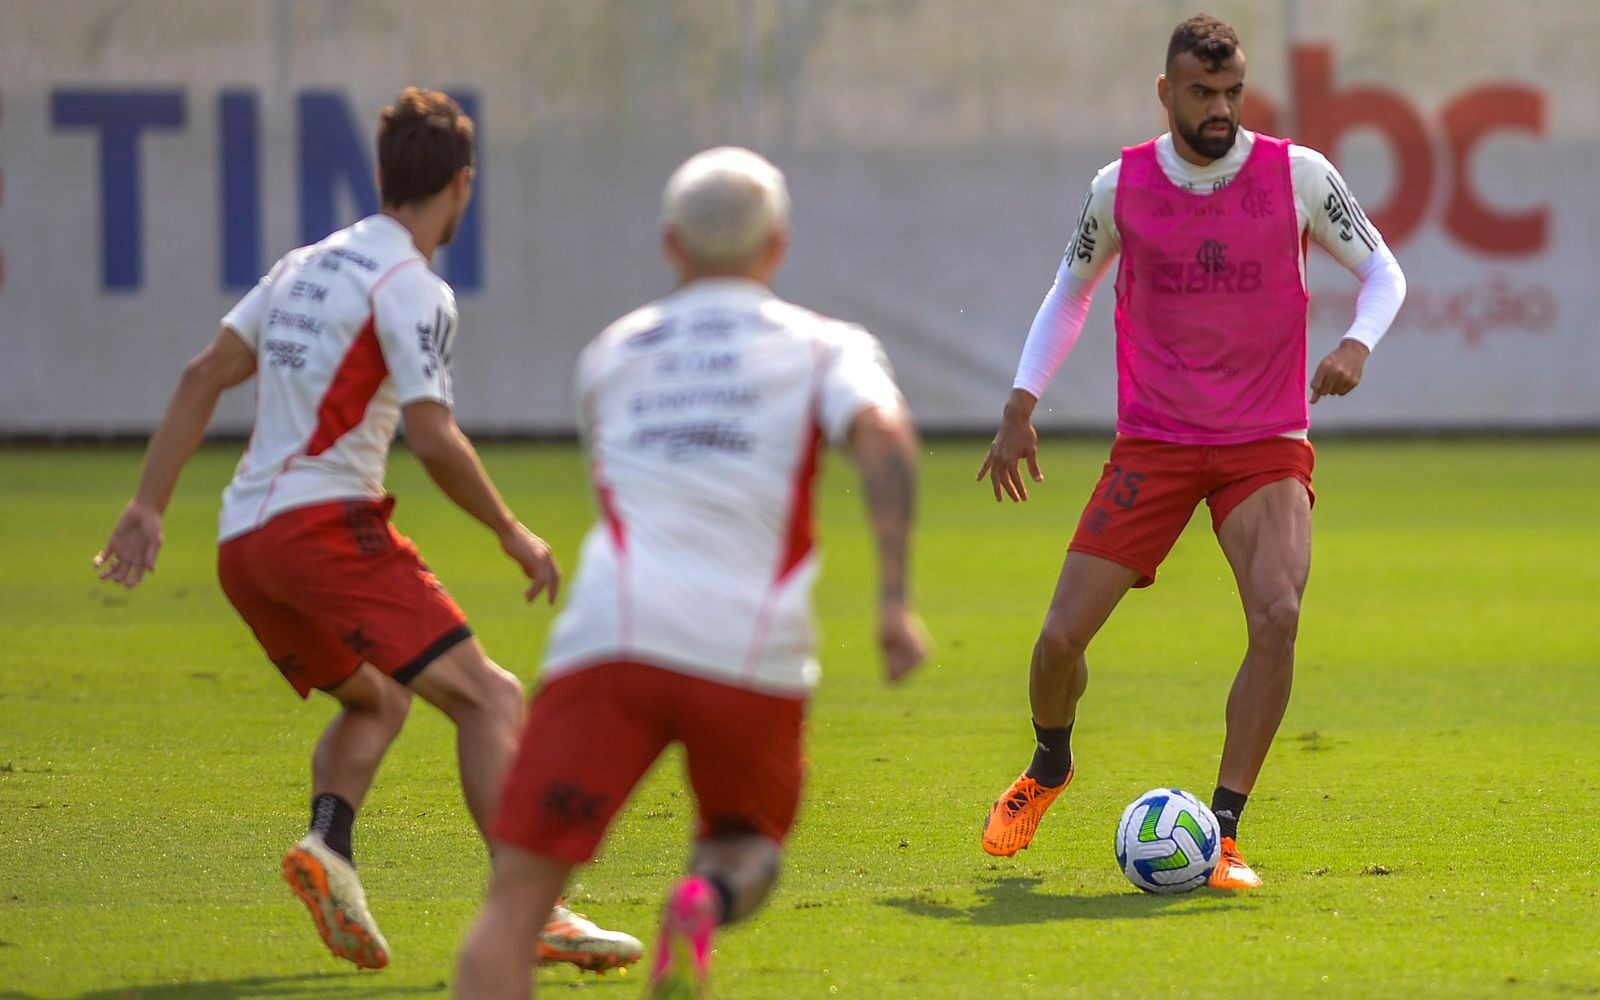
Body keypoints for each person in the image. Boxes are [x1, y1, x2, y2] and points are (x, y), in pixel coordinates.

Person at [93, 87, 640, 973]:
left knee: (380, 699)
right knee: (492, 698)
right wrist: (508, 529)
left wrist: (149, 504)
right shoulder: (414, 287)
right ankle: (534, 912)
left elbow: (204, 373)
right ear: (462, 186)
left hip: (245, 543)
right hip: (323, 528)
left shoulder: (303, 264)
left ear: (383, 176)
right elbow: (431, 434)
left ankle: (328, 850)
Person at [452, 146, 930, 999]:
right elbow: (886, 437)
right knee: (746, 844)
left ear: (671, 244)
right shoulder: (825, 347)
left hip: (611, 642)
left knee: (514, 906)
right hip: (750, 654)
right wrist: (893, 603)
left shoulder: (609, 355)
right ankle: (703, 898)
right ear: (777, 246)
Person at [976, 14, 1406, 889]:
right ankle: (1050, 763)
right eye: (1203, 94)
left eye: (1234, 93)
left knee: (1278, 615)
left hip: (1265, 443)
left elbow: (1383, 273)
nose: (1221, 109)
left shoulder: (1299, 175)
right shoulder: (1120, 186)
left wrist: (1357, 344)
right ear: (1167, 93)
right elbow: (1070, 296)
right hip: (1156, 444)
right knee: (1059, 640)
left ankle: (1225, 830)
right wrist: (1021, 405)